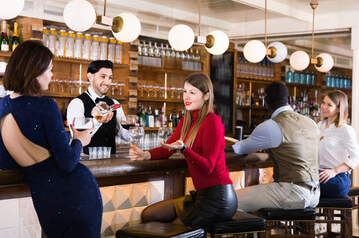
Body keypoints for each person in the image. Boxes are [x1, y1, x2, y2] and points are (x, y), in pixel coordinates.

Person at [0, 40, 102, 237]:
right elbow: (67, 162)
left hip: (45, 201)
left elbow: (5, 162)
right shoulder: (46, 106)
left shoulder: (2, 106)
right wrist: (79, 140)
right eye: (50, 69)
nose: (52, 75)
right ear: (36, 71)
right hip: (75, 195)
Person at [129, 73, 237, 228]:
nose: (186, 96)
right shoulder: (187, 121)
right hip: (200, 196)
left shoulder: (212, 122)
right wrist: (145, 154)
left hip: (218, 199)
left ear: (206, 96)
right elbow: (168, 149)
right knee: (148, 215)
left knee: (175, 227)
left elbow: (207, 168)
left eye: (192, 92)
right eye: (185, 91)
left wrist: (185, 149)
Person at [232, 82, 320, 212]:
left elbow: (240, 149)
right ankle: (262, 231)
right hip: (315, 194)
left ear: (266, 103)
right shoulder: (311, 122)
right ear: (288, 99)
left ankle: (254, 231)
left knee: (230, 202)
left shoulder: (271, 126)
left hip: (293, 192)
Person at [67, 60, 129, 154]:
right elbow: (78, 138)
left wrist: (133, 130)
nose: (107, 82)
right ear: (90, 77)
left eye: (110, 78)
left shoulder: (115, 104)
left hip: (111, 163)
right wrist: (97, 121)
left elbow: (125, 136)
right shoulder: (77, 103)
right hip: (86, 163)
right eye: (103, 76)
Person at [318, 90, 359, 198]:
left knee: (303, 181)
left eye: (329, 105)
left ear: (339, 109)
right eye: (323, 103)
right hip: (321, 173)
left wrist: (334, 171)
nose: (324, 107)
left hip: (338, 178)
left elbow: (356, 158)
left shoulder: (345, 130)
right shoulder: (320, 126)